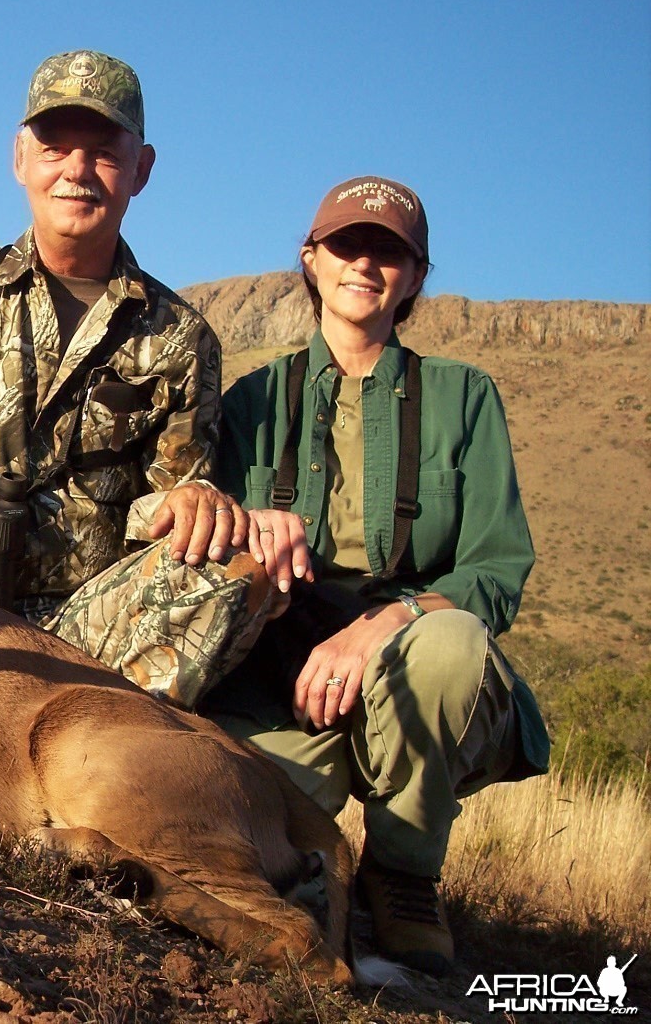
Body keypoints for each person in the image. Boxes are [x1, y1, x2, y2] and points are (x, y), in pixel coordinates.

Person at [0, 50, 277, 704]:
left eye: (103, 151)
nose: (77, 171)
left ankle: (103, 745)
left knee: (235, 564)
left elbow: (169, 513)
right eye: (54, 147)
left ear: (141, 170)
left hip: (84, 646)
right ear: (19, 159)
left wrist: (193, 504)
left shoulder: (181, 339)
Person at [207, 176, 550, 975]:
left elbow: (497, 571)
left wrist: (382, 625)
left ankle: (402, 876)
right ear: (311, 260)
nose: (365, 263)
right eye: (346, 245)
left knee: (453, 644)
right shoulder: (251, 401)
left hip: (411, 653)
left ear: (417, 275)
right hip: (279, 668)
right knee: (240, 846)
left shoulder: (465, 398)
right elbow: (210, 548)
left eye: (388, 251)